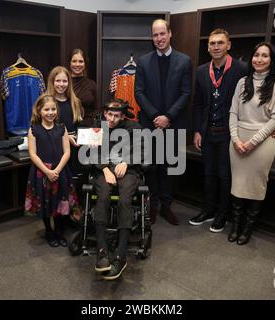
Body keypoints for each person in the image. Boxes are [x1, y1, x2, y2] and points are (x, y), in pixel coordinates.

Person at [189, 29, 248, 232]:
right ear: (208, 47)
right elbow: (197, 103)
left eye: (220, 43)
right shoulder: (202, 70)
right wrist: (197, 130)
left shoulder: (241, 69)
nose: (216, 46)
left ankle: (223, 214)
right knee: (209, 174)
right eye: (212, 43)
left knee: (224, 176)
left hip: (229, 134)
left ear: (228, 45)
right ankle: (208, 210)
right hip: (207, 132)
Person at [135, 19, 192, 225]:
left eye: (162, 34)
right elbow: (138, 93)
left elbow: (186, 93)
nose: (159, 38)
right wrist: (155, 117)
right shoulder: (143, 61)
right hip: (149, 124)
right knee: (150, 167)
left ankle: (167, 206)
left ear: (170, 34)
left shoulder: (184, 61)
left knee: (169, 166)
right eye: (155, 35)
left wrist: (168, 117)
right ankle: (152, 205)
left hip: (173, 123)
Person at [228, 42, 275, 245]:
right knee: (237, 184)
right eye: (256, 55)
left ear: (272, 60)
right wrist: (236, 139)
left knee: (256, 186)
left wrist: (252, 142)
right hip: (237, 142)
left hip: (262, 144)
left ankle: (247, 228)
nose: (259, 59)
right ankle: (235, 226)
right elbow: (233, 112)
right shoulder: (243, 82)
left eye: (265, 56)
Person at [93, 100, 142, 280]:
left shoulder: (135, 128)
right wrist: (105, 169)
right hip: (104, 169)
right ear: (105, 113)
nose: (112, 119)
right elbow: (91, 152)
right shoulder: (97, 128)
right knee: (103, 197)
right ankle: (102, 251)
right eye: (109, 115)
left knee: (124, 200)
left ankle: (121, 255)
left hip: (128, 169)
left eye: (116, 116)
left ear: (122, 116)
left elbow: (143, 150)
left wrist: (126, 162)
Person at [24, 94, 71, 248]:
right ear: (39, 111)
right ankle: (49, 231)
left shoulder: (62, 128)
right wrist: (47, 171)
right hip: (41, 173)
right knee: (45, 202)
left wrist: (56, 170)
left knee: (59, 201)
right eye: (46, 109)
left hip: (60, 171)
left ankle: (59, 231)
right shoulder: (33, 129)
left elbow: (67, 152)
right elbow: (32, 154)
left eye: (53, 109)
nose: (50, 112)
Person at [46, 66, 84, 221]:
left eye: (64, 81)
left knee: (73, 183)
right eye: (58, 80)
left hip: (74, 148)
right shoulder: (47, 102)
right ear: (52, 82)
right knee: (59, 186)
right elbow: (42, 129)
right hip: (56, 151)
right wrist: (65, 136)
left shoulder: (75, 101)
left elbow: (78, 124)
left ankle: (71, 216)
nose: (61, 84)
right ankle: (59, 220)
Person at [68, 49, 98, 127]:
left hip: (87, 129)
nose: (77, 64)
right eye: (74, 61)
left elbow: (97, 110)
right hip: (67, 128)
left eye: (81, 61)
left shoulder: (92, 84)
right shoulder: (63, 83)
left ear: (85, 64)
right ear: (69, 63)